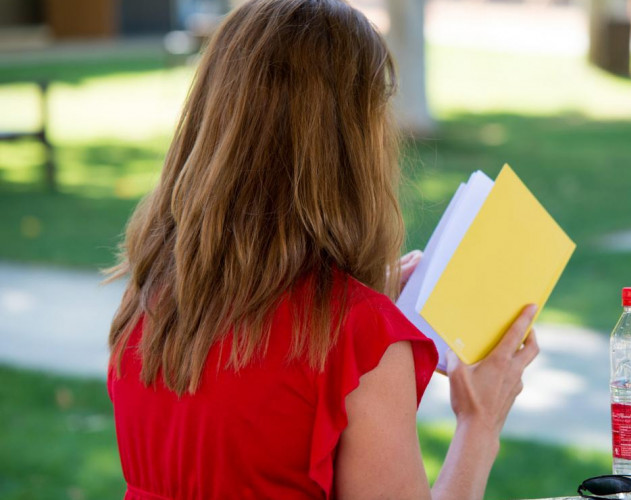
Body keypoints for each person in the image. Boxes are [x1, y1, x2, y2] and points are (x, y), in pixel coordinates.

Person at [105, 0, 540, 498]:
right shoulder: (359, 338)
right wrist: (479, 425)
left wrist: (367, 300)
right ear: (356, 142)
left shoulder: (152, 298)